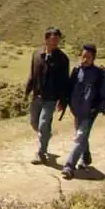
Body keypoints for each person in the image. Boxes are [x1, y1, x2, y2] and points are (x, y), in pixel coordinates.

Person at [61, 44, 105, 179]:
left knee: (80, 137)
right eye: (83, 56)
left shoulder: (99, 74)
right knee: (82, 136)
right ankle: (86, 157)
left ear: (93, 58)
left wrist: (95, 109)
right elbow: (69, 89)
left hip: (90, 112)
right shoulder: (76, 71)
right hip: (77, 111)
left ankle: (69, 166)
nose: (85, 59)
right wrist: (66, 104)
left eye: (88, 57)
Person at [24, 27, 70, 165]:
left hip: (50, 99)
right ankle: (45, 136)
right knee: (34, 123)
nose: (55, 43)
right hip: (37, 96)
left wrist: (63, 100)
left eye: (57, 40)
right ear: (46, 40)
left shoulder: (62, 59)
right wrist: (27, 91)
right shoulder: (36, 54)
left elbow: (64, 82)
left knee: (44, 124)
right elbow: (32, 74)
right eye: (53, 40)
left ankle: (41, 152)